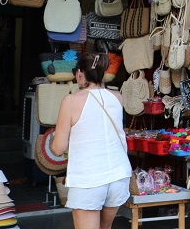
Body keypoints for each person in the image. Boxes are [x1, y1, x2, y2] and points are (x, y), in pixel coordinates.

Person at [51, 53, 132, 229]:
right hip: (118, 175)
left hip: (89, 179)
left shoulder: (71, 101)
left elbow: (58, 148)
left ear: (80, 73)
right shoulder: (117, 98)